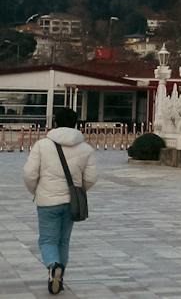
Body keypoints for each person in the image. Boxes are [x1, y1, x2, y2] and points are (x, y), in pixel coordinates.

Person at [22, 107, 97, 295]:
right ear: (76, 124)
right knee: (63, 240)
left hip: (47, 200)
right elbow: (91, 177)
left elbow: (29, 174)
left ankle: (53, 265)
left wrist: (36, 190)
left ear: (55, 122)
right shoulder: (86, 149)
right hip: (71, 202)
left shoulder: (42, 145)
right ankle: (59, 277)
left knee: (48, 239)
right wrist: (78, 190)